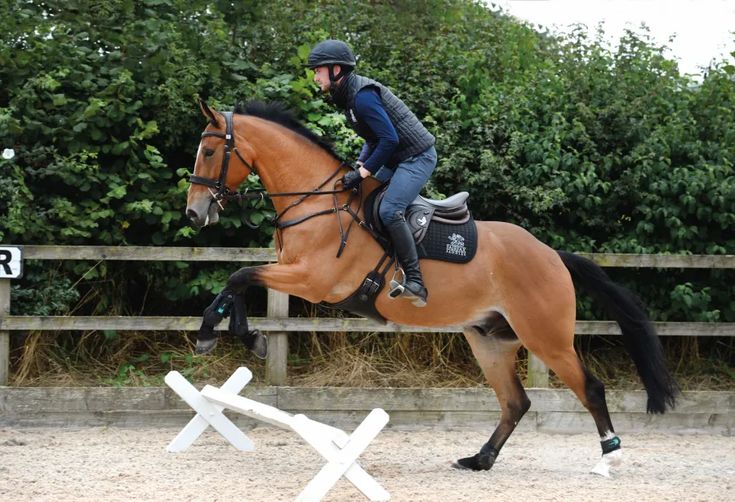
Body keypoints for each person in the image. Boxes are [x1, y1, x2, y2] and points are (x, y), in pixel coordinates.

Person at [306, 39, 437, 307]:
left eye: (318, 69)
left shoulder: (362, 97)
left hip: (416, 157)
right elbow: (372, 138)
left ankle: (415, 281)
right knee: (361, 196)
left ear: (336, 70)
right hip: (396, 156)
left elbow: (388, 139)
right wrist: (359, 166)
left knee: (390, 210)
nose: (315, 75)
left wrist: (364, 171)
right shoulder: (348, 97)